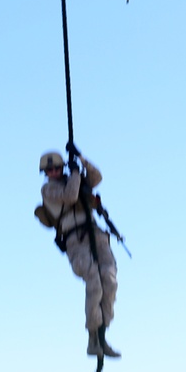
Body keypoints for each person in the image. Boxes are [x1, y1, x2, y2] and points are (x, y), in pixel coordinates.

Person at [38, 148, 120, 359]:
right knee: (94, 281)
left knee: (109, 281)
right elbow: (70, 195)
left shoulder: (77, 179)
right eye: (49, 170)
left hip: (97, 235)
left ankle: (102, 334)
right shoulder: (48, 190)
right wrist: (74, 173)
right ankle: (93, 337)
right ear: (45, 174)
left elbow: (96, 177)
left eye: (56, 168)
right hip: (76, 241)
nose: (54, 172)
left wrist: (81, 160)